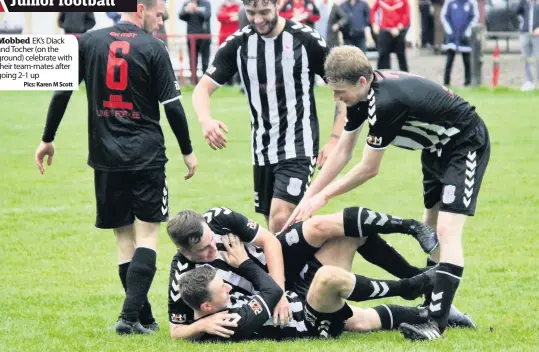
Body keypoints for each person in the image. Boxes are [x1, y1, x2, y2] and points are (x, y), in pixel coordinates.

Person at [284, 45, 490, 341]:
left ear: (362, 82)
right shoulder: (359, 96)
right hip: (435, 149)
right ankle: (443, 306)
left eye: (339, 91)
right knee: (429, 225)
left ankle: (435, 323)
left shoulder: (385, 102)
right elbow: (343, 151)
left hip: (464, 143)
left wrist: (324, 197)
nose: (336, 99)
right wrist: (309, 197)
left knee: (446, 231)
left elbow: (369, 168)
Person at [34, 0, 198, 335]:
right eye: (159, 12)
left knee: (124, 237)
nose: (162, 18)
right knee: (148, 234)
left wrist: (47, 138)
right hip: (147, 155)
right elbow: (173, 107)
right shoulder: (155, 48)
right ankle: (127, 318)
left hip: (106, 156)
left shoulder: (87, 42)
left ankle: (144, 318)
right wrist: (188, 150)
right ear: (141, 8)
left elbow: (63, 91)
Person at [166, 204, 462, 340]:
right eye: (202, 252)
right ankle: (421, 296)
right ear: (183, 252)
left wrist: (278, 291)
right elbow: (176, 329)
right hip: (278, 300)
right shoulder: (184, 276)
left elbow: (270, 241)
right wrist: (202, 326)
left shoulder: (218, 219)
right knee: (353, 317)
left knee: (330, 228)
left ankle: (411, 235)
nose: (212, 251)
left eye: (210, 242)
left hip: (281, 275)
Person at [191, 0, 348, 234]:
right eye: (251, 13)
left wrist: (335, 139)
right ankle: (299, 268)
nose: (257, 19)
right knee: (276, 227)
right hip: (262, 149)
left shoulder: (306, 40)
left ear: (278, 4)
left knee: (280, 217)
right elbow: (202, 89)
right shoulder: (238, 44)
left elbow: (342, 90)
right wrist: (206, 120)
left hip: (299, 144)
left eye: (264, 12)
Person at [440, 0, 479, 87]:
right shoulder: (450, 2)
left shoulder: (471, 3)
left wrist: (468, 31)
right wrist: (449, 31)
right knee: (449, 60)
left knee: (467, 61)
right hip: (452, 37)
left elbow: (474, 17)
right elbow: (444, 16)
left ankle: (468, 82)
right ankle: (446, 82)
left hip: (464, 37)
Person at [369, 0, 410, 71]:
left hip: (398, 31)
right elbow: (373, 11)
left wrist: (399, 27)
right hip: (385, 30)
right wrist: (374, 24)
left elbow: (406, 14)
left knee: (401, 55)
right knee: (383, 54)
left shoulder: (403, 1)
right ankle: (382, 76)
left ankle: (405, 75)